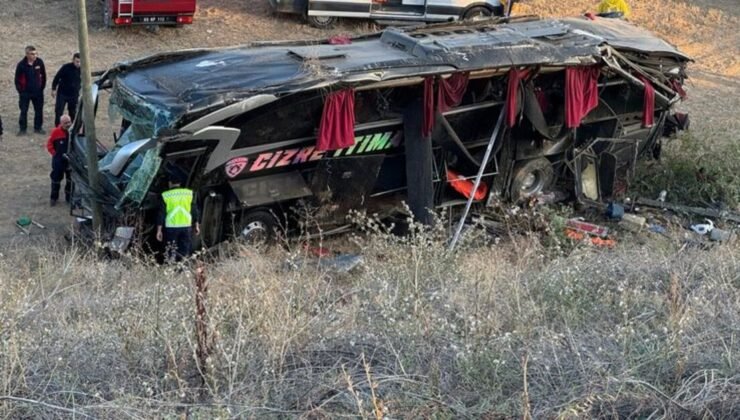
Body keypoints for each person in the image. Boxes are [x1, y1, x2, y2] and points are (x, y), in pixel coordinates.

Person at [156, 175, 201, 262]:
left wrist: (159, 230)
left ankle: (171, 268)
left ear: (170, 183)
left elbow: (161, 214)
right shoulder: (189, 194)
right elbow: (195, 211)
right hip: (186, 227)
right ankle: (182, 269)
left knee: (171, 250)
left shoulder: (166, 195)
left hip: (171, 228)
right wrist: (196, 225)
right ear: (180, 183)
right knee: (184, 251)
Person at [15, 45, 47, 135]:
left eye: (36, 53)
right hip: (25, 93)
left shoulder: (39, 62)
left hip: (38, 93)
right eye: (32, 54)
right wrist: (21, 91)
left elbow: (44, 76)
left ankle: (38, 128)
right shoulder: (21, 65)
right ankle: (22, 129)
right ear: (27, 54)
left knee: (39, 110)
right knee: (24, 111)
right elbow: (17, 79)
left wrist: (41, 88)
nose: (35, 55)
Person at [46, 115, 73, 206]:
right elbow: (49, 144)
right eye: (65, 123)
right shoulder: (55, 132)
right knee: (56, 179)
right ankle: (53, 198)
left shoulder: (73, 132)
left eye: (69, 122)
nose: (68, 124)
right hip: (58, 161)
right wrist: (55, 154)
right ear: (61, 123)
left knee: (70, 180)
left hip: (70, 161)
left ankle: (69, 198)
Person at [52, 53, 81, 127]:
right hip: (62, 93)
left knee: (73, 112)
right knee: (59, 111)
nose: (78, 63)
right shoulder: (66, 67)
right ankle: (58, 127)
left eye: (80, 62)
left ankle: (72, 128)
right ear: (73, 60)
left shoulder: (83, 70)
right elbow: (57, 78)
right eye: (77, 61)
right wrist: (53, 89)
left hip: (74, 95)